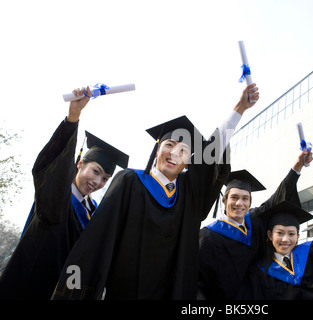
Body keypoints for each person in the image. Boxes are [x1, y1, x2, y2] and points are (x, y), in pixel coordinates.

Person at [51, 84, 260, 300]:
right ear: (157, 148)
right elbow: (97, 239)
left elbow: (213, 152)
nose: (174, 153)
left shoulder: (189, 194)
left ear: (189, 162)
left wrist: (239, 109)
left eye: (183, 150)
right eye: (169, 144)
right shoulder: (130, 182)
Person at [0, 88, 129, 299]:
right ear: (79, 164)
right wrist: (73, 117)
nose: (98, 181)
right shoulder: (57, 195)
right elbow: (55, 166)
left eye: (105, 178)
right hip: (29, 284)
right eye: (95, 171)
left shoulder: (93, 213)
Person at [198, 150, 313, 300]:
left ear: (250, 202)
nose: (240, 203)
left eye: (245, 198)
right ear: (224, 200)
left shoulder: (255, 220)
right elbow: (197, 281)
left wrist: (298, 166)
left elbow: (278, 197)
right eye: (234, 197)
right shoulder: (208, 236)